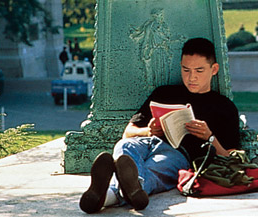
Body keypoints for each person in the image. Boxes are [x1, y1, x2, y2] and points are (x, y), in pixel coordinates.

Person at [79, 38, 241, 213]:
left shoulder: (224, 107)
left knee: (155, 169)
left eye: (199, 71)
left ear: (214, 69)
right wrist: (148, 130)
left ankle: (106, 196)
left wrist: (209, 137)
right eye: (185, 70)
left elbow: (232, 158)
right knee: (124, 146)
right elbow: (128, 133)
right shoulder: (164, 93)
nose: (191, 77)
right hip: (146, 142)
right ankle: (132, 190)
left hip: (178, 154)